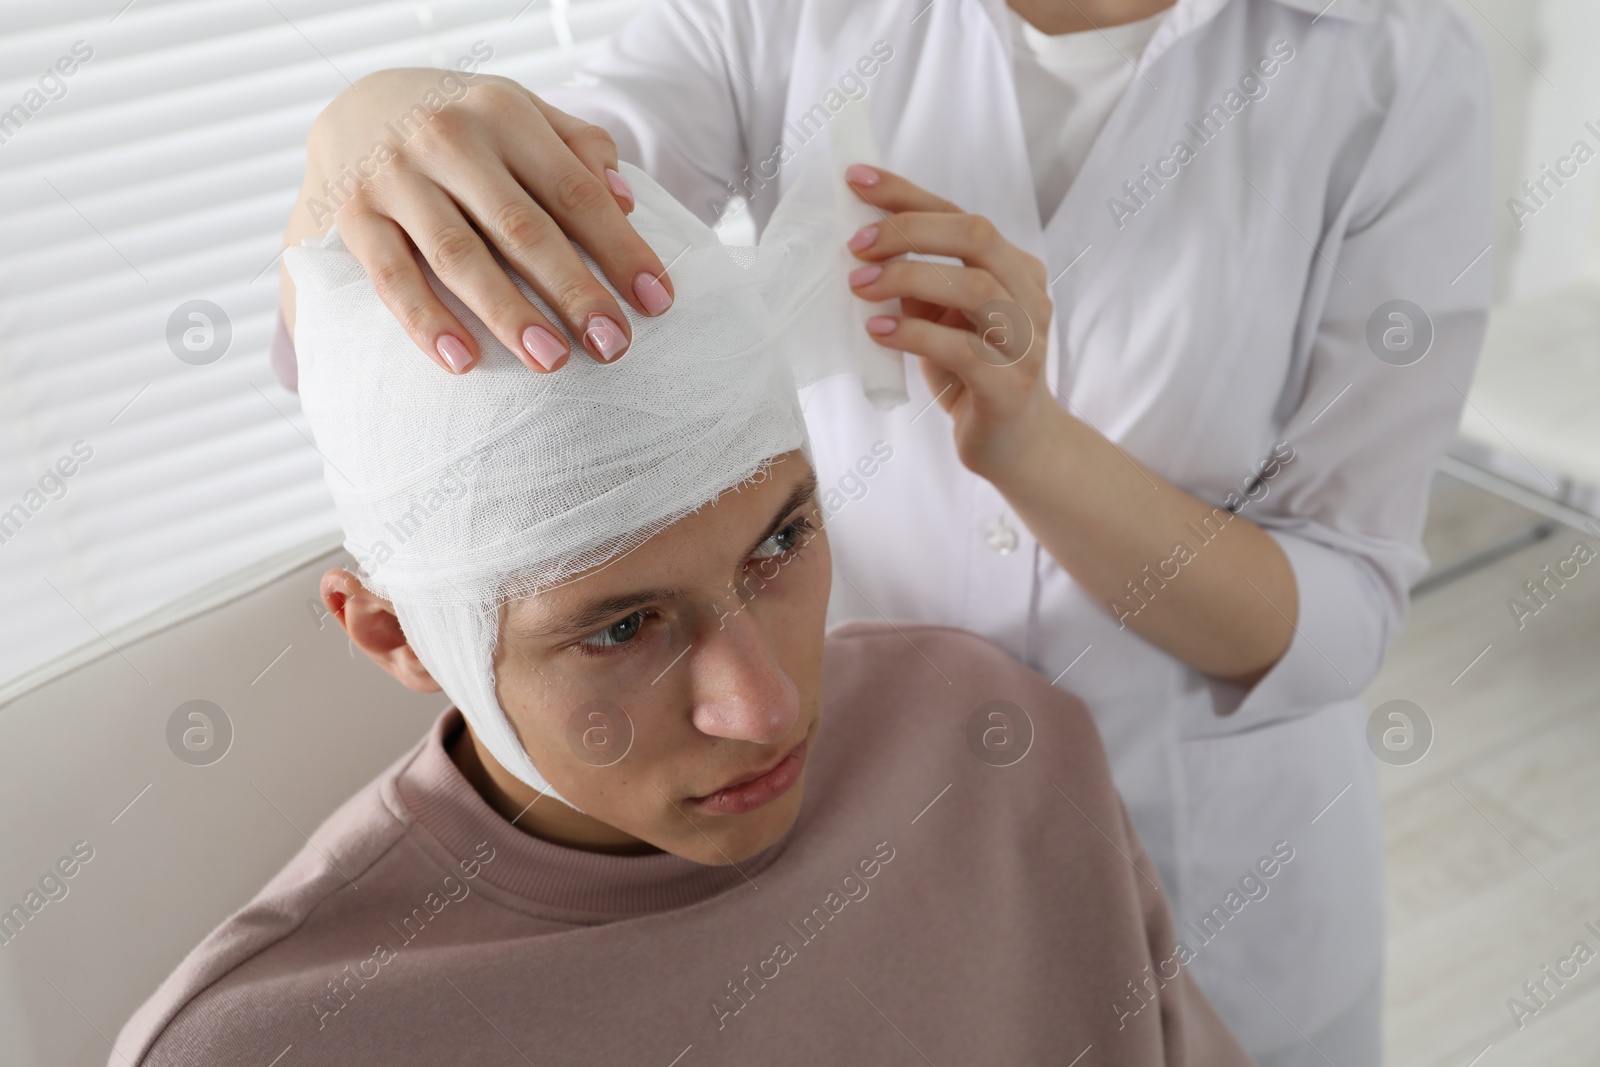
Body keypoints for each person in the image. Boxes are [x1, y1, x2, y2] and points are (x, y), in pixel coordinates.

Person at [271, 0, 1494, 1061]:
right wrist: (370, 141)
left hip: (1212, 859)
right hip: (867, 844)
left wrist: (1030, 443)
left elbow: (1341, 611)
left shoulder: (1394, 62)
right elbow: (477, 290)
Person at [111, 162, 1252, 1066]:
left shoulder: (994, 732)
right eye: (620, 627)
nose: (763, 707)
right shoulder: (262, 1043)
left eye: (782, 542)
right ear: (395, 633)